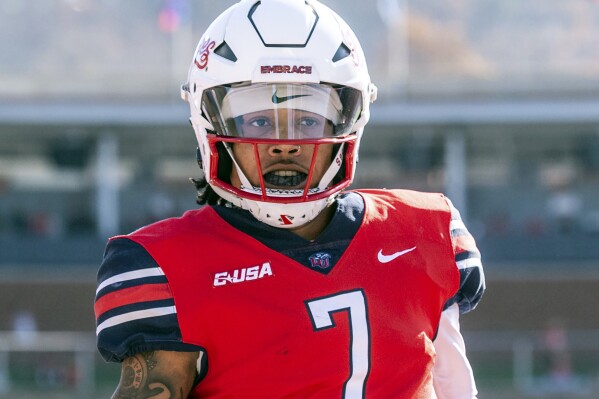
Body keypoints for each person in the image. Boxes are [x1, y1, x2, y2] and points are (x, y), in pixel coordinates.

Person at [94, 0, 485, 397]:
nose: (285, 144)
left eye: (307, 120)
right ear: (209, 123)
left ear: (350, 121)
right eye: (260, 120)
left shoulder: (423, 232)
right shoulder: (167, 266)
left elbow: (455, 388)